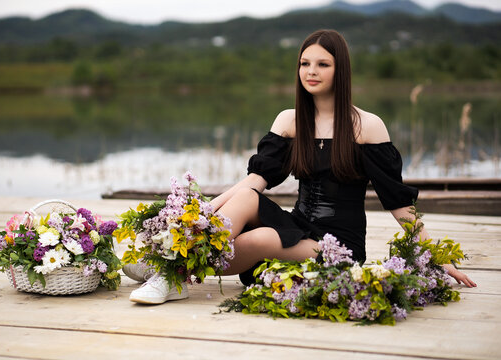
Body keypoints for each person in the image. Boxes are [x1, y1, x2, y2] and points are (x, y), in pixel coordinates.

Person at [128, 29, 476, 304]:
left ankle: (175, 274)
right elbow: (253, 181)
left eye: (323, 64)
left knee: (263, 236)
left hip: (337, 247)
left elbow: (400, 206)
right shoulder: (290, 120)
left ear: (340, 69)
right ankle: (173, 265)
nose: (311, 71)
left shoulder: (366, 126)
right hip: (298, 225)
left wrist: (438, 256)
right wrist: (204, 212)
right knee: (249, 196)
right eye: (304, 63)